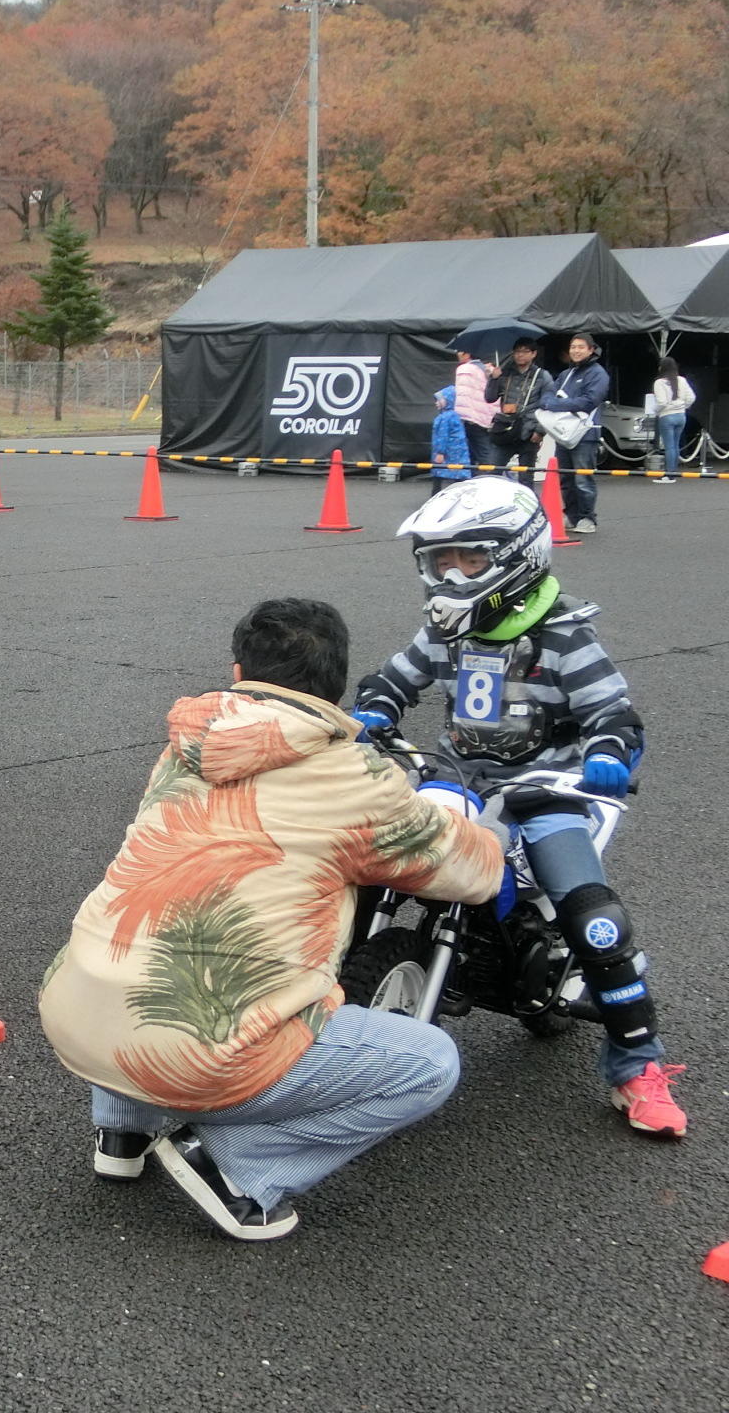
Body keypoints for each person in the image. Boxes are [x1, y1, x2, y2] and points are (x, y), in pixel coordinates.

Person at [38, 598, 503, 1242]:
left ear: (238, 672)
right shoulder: (353, 776)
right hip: (192, 1049)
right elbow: (467, 872)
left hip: (74, 1011)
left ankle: (123, 1131)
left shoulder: (184, 749)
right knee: (431, 1064)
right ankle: (238, 1170)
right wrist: (482, 831)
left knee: (158, 944)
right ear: (337, 688)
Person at [352, 476, 687, 1137]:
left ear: (518, 555)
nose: (451, 574)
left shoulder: (562, 633)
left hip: (546, 789)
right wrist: (373, 709)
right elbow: (396, 676)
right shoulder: (447, 629)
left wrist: (610, 753)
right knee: (372, 860)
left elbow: (611, 712)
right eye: (439, 560)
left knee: (596, 922)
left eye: (469, 558)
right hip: (457, 774)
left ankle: (637, 1065)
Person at [541, 334, 610, 533]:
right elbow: (547, 395)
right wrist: (552, 403)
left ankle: (588, 518)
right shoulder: (567, 374)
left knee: (583, 477)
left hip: (586, 433)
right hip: (563, 432)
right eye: (573, 347)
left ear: (591, 350)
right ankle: (571, 515)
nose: (576, 351)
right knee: (565, 477)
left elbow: (589, 401)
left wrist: (557, 405)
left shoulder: (597, 373)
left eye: (581, 347)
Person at [485, 339, 552, 485]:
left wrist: (540, 431)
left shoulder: (542, 376)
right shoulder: (505, 373)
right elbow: (490, 398)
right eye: (517, 351)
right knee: (492, 472)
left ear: (533, 354)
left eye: (524, 351)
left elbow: (548, 405)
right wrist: (494, 379)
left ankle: (526, 507)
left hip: (529, 432)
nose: (520, 355)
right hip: (506, 430)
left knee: (526, 478)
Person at [648, 356, 696, 483]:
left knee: (669, 446)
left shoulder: (659, 382)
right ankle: (673, 471)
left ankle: (669, 474)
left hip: (667, 416)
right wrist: (683, 407)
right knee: (675, 445)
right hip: (681, 416)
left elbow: (662, 402)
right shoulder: (682, 380)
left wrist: (655, 410)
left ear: (661, 368)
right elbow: (691, 397)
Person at [452, 349, 500, 472]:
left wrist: (459, 417)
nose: (457, 354)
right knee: (484, 450)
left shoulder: (464, 369)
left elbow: (462, 396)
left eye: (459, 351)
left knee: (474, 454)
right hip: (489, 418)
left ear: (467, 354)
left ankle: (490, 480)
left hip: (470, 418)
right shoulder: (488, 369)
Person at [429, 387, 471, 494]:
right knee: (459, 474)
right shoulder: (455, 416)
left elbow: (442, 436)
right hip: (458, 451)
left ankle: (435, 495)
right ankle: (462, 495)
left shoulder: (444, 417)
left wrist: (440, 452)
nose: (436, 403)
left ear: (448, 400)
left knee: (438, 473)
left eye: (439, 400)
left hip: (448, 452)